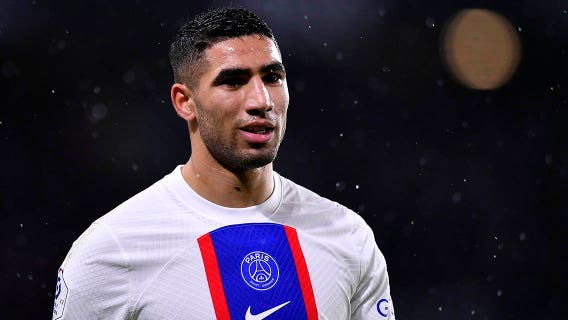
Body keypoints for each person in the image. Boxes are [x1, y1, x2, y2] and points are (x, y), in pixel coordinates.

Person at [52, 7, 395, 320]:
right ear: (185, 102)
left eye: (273, 77)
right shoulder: (113, 249)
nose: (261, 101)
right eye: (233, 81)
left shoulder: (347, 236)